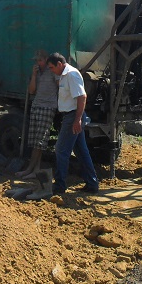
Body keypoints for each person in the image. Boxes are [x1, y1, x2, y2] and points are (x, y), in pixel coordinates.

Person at [46, 52, 99, 195]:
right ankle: (92, 183)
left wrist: (77, 119)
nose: (51, 70)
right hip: (71, 116)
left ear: (59, 64)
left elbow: (82, 96)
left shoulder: (71, 74)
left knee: (61, 150)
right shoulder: (64, 75)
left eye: (52, 67)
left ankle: (60, 185)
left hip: (73, 116)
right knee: (81, 151)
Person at [16, 49, 59, 179]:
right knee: (35, 141)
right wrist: (34, 75)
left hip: (48, 107)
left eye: (40, 60)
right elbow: (31, 91)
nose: (38, 63)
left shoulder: (52, 72)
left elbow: (60, 86)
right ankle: (36, 169)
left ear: (46, 60)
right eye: (36, 60)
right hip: (36, 106)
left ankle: (30, 169)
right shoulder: (37, 73)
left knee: (40, 141)